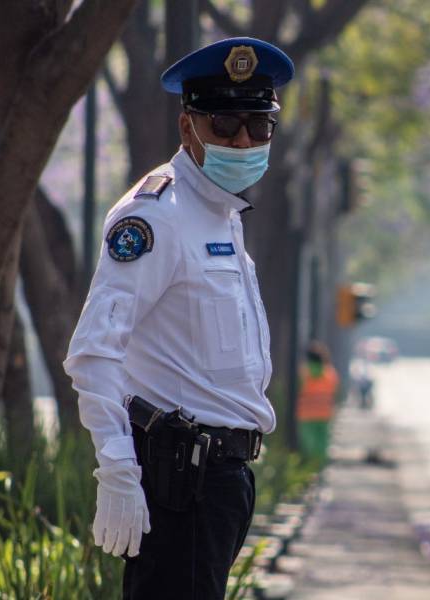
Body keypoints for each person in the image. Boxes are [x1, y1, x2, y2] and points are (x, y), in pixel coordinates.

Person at [63, 37, 294, 599]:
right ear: (187, 126)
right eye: (224, 124)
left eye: (258, 127)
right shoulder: (156, 216)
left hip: (221, 478)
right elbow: (94, 353)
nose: (243, 141)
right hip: (179, 480)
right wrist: (117, 471)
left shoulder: (219, 213)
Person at [296, 341, 339, 465]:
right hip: (324, 414)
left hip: (306, 414)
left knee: (308, 445)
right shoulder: (330, 373)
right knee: (322, 444)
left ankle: (309, 471)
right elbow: (335, 392)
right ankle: (319, 469)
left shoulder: (303, 372)